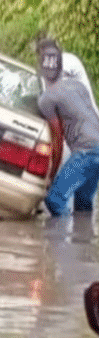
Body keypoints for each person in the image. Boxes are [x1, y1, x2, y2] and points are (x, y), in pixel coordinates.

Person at [36, 39, 99, 216]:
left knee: (55, 199)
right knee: (83, 202)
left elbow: (58, 140)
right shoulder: (77, 85)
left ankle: (65, 241)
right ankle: (84, 239)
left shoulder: (46, 99)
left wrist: (52, 175)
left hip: (85, 150)